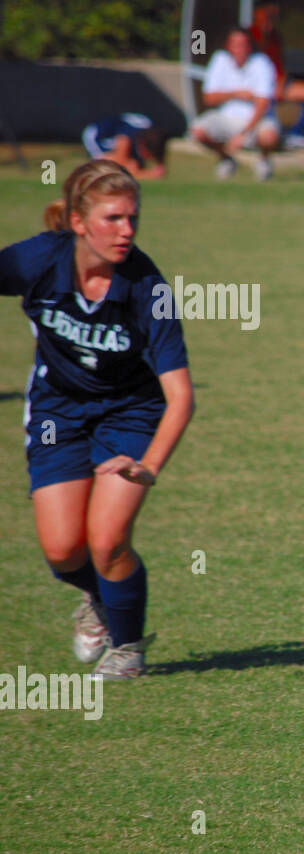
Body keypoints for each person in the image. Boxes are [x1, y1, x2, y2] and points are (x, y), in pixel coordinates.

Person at [0, 160, 194, 678]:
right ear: (78, 221)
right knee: (63, 550)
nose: (126, 230)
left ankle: (128, 650)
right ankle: (98, 597)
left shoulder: (146, 287)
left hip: (131, 411)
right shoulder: (38, 260)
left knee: (107, 540)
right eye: (113, 218)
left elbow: (181, 396)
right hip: (56, 411)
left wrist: (151, 465)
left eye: (132, 218)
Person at [192, 26, 280, 181]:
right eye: (235, 44)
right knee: (198, 130)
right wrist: (237, 93)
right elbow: (209, 97)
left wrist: (243, 134)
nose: (239, 49)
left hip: (254, 120)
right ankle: (226, 158)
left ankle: (263, 160)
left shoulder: (261, 62)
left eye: (243, 44)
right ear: (228, 46)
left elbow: (263, 103)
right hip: (227, 117)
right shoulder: (220, 59)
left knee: (269, 136)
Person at [249, 2, 304, 149]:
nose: (270, 21)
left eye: (273, 17)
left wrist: (279, 84)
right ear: (257, 15)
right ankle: (253, 135)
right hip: (254, 89)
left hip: (275, 85)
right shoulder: (248, 37)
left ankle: (296, 135)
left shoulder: (275, 37)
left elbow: (280, 67)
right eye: (267, 16)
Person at [81, 113, 169, 180]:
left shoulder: (151, 134)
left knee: (133, 164)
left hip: (119, 138)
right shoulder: (126, 139)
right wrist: (149, 174)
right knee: (107, 167)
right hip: (97, 136)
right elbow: (119, 165)